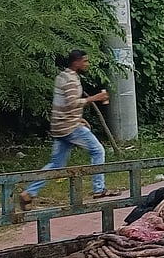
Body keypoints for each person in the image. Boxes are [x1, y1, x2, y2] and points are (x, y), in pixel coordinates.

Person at [20, 50, 118, 209]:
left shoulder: (62, 76)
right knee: (98, 150)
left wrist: (79, 118)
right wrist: (95, 98)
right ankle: (98, 189)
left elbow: (63, 104)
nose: (87, 64)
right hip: (69, 127)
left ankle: (29, 193)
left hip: (60, 125)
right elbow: (72, 102)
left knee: (56, 164)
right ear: (76, 62)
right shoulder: (71, 80)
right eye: (84, 61)